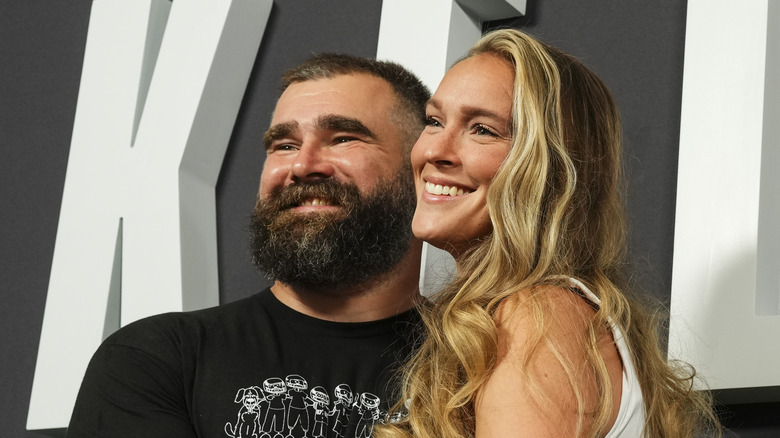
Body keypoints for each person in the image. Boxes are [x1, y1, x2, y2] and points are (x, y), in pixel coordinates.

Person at [377, 29, 720, 438]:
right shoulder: (533, 313)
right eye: (434, 121)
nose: (434, 150)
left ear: (551, 167)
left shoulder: (537, 316)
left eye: (482, 129)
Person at [67, 53, 430, 438]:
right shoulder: (156, 359)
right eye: (285, 145)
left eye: (342, 138)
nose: (303, 165)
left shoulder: (478, 366)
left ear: (423, 167)